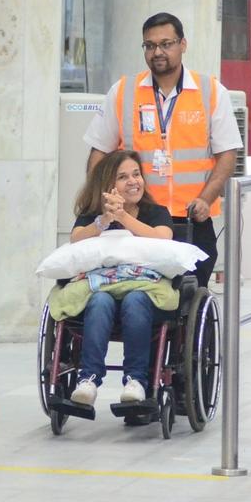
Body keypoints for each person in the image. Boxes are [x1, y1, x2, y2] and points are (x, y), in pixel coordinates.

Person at [83, 12, 243, 287]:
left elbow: (227, 155)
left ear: (183, 44)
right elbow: (99, 152)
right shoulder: (123, 91)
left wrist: (206, 198)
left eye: (166, 44)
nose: (158, 52)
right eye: (150, 45)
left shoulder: (211, 91)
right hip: (136, 217)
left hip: (191, 218)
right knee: (133, 292)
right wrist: (100, 200)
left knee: (188, 295)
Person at [69, 150, 174, 406]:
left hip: (142, 289)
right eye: (123, 177)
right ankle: (89, 380)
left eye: (136, 174)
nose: (133, 181)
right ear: (107, 186)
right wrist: (105, 220)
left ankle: (136, 381)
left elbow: (163, 239)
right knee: (99, 302)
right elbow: (75, 240)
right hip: (104, 286)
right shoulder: (93, 216)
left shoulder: (156, 212)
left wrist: (123, 217)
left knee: (135, 301)